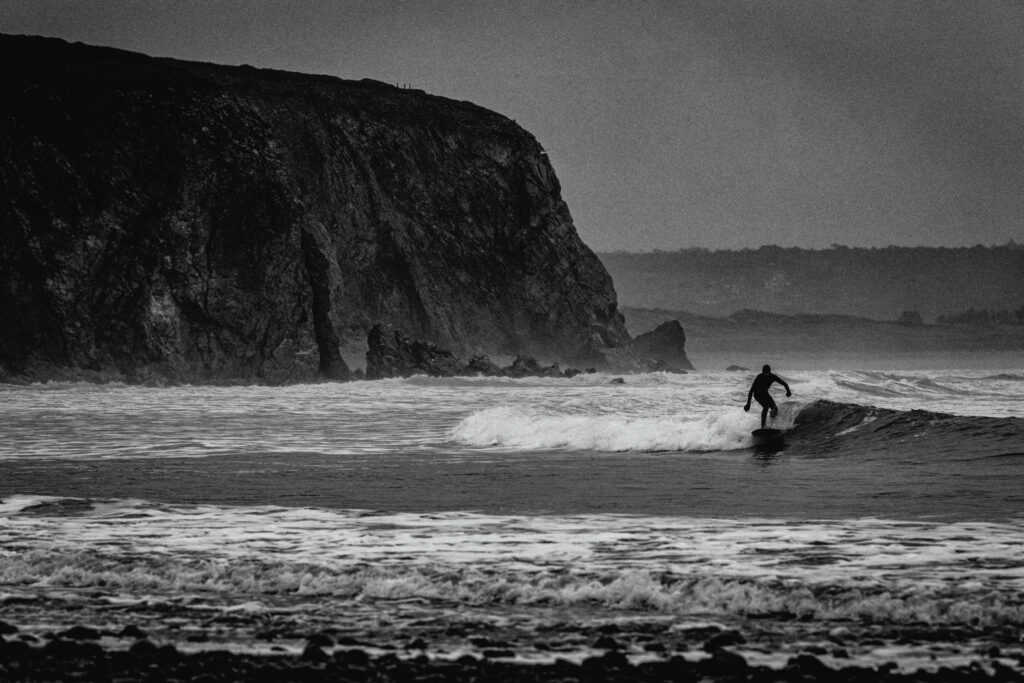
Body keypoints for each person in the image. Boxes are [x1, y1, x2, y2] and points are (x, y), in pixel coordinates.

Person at [744, 364, 791, 429]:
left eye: (767, 372)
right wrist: (748, 404)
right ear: (762, 372)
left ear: (769, 372)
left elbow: (784, 383)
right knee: (766, 406)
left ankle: (771, 425)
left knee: (775, 409)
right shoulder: (759, 377)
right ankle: (763, 426)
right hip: (757, 394)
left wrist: (788, 391)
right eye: (764, 372)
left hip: (765, 393)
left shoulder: (772, 376)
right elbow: (751, 391)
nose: (766, 374)